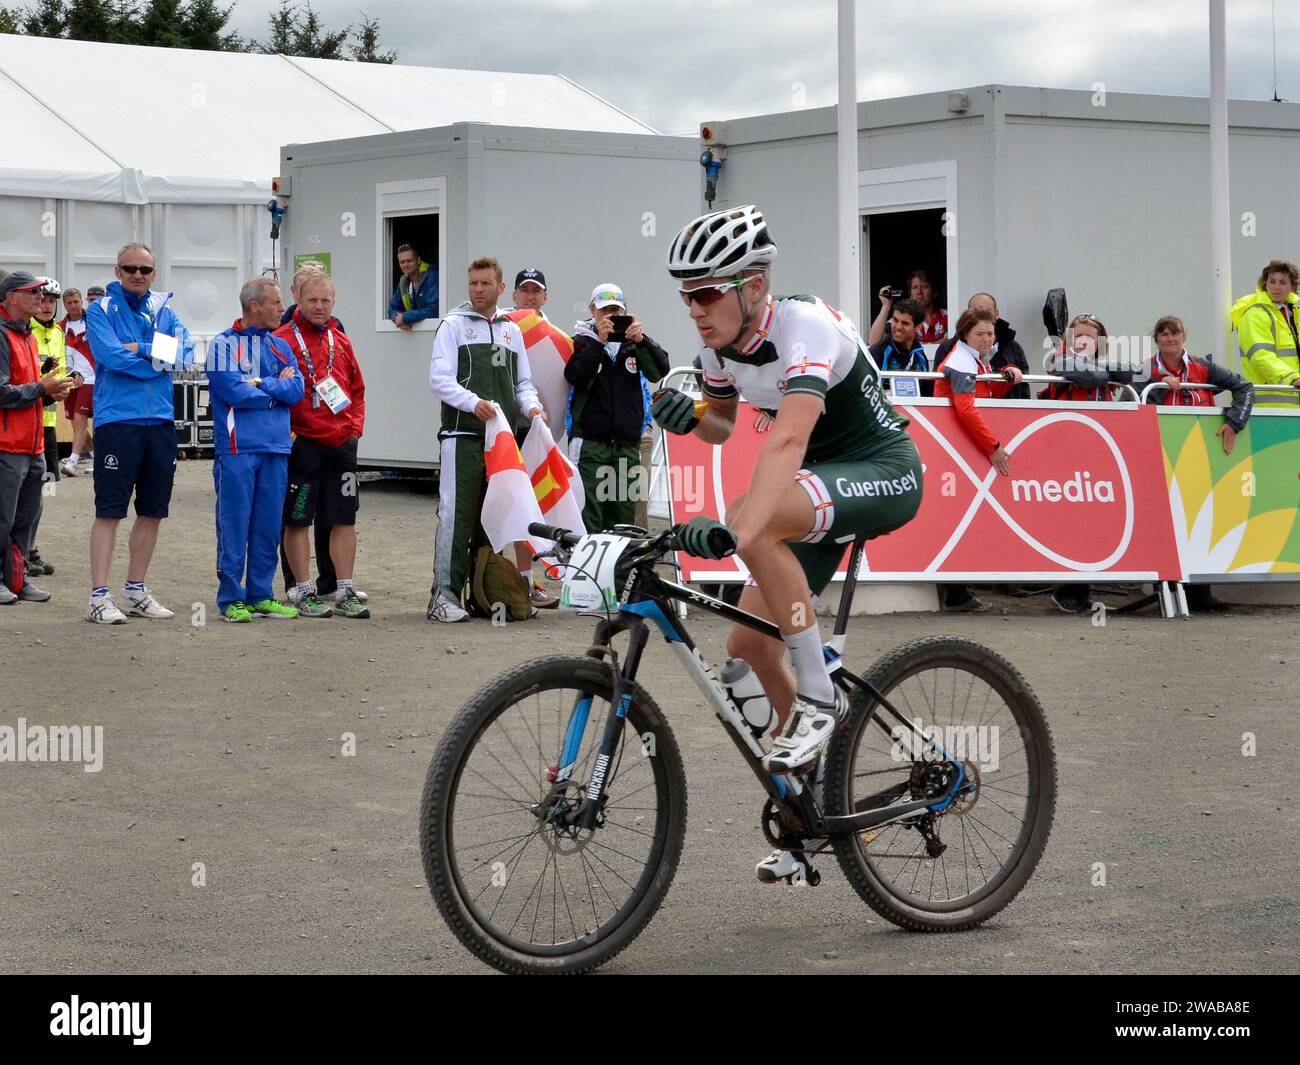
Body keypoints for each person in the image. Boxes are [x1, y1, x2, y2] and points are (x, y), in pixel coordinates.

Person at [657, 204, 924, 884]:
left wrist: (737, 530)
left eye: (706, 292)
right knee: (747, 648)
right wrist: (689, 415)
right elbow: (721, 425)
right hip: (816, 483)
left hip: (881, 469)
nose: (693, 307)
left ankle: (821, 695)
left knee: (755, 515)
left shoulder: (802, 325)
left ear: (751, 287)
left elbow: (786, 440)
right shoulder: (719, 349)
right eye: (685, 294)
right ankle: (809, 805)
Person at [427, 257, 544, 623]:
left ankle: (479, 595)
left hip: (500, 442)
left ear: (500, 287)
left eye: (485, 284)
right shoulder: (453, 325)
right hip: (461, 436)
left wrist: (534, 409)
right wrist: (471, 403)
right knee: (455, 517)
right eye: (473, 283)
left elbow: (522, 384)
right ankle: (442, 598)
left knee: (490, 520)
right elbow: (439, 379)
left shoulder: (512, 330)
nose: (478, 289)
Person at [84, 243, 195, 625]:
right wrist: (156, 361)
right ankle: (99, 596)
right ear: (117, 271)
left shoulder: (164, 309)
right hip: (118, 422)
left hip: (160, 423)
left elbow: (186, 353)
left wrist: (143, 348)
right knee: (109, 511)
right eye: (130, 268)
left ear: (154, 273)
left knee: (152, 511)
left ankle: (135, 589)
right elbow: (111, 356)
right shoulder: (99, 309)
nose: (137, 275)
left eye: (145, 270)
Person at [272, 272, 369, 620]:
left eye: (326, 300)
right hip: (303, 444)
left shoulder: (339, 340)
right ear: (298, 297)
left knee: (344, 518)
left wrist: (354, 428)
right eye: (312, 300)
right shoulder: (280, 340)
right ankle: (302, 588)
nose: (319, 306)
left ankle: (344, 589)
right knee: (298, 518)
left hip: (341, 443)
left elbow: (357, 389)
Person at [207, 278, 304, 623]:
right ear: (254, 307)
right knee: (234, 525)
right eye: (277, 303)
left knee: (266, 525)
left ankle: (261, 594)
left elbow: (297, 390)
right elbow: (234, 392)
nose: (283, 308)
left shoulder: (280, 346)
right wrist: (276, 390)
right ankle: (231, 598)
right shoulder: (222, 345)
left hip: (277, 448)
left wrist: (263, 383)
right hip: (237, 449)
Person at [1146, 314, 1254, 613]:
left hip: (1199, 456)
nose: (1170, 338)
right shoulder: (1145, 368)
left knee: (1199, 518)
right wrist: (1157, 384)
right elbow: (1126, 405)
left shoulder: (1203, 367)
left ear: (1185, 335)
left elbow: (1245, 388)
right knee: (1165, 520)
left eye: (1175, 332)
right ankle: (1167, 590)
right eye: (1164, 334)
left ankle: (1198, 593)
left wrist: (1234, 423)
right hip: (1160, 455)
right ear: (1156, 338)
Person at [1038, 313, 1131, 612]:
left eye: (1091, 336)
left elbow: (1131, 372)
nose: (1085, 340)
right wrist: (1106, 372)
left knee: (1094, 521)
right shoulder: (1057, 358)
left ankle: (1083, 592)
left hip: (1098, 450)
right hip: (1066, 447)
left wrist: (1104, 370)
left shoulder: (1105, 362)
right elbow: (1087, 376)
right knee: (1069, 522)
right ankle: (1065, 591)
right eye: (1080, 335)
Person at [932, 306, 1023, 612]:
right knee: (953, 518)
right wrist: (993, 447)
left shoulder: (973, 360)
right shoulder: (960, 360)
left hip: (963, 446)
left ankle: (958, 592)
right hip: (956, 447)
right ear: (965, 334)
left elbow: (985, 400)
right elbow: (966, 409)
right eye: (980, 334)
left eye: (990, 333)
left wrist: (1006, 380)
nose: (987, 339)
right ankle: (955, 594)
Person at [566, 283, 670, 536]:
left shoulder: (634, 344)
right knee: (588, 516)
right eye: (605, 311)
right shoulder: (580, 342)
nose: (611, 317)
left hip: (626, 446)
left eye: (616, 311)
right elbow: (575, 376)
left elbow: (660, 370)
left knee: (623, 521)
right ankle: (584, 574)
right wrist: (599, 343)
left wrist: (642, 340)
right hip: (591, 445)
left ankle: (618, 576)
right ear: (593, 310)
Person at [0, 272, 73, 605]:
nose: (40, 299)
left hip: (33, 444)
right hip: (8, 444)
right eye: (32, 293)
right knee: (3, 516)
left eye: (42, 294)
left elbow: (24, 391)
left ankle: (18, 578)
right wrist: (41, 389)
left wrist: (48, 393)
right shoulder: (3, 335)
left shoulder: (28, 335)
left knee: (27, 517)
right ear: (11, 297)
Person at [504, 267, 568, 608]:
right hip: (500, 429)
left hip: (536, 432)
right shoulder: (498, 327)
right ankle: (496, 580)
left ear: (545, 297)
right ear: (513, 295)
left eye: (536, 291)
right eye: (524, 290)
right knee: (501, 504)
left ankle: (529, 581)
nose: (530, 296)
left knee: (533, 508)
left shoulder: (559, 339)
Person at [27, 277, 71, 577]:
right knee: (19, 492)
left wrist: (66, 384)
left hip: (48, 422)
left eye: (51, 302)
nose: (46, 306)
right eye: (42, 300)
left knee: (39, 491)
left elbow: (62, 370)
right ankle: (21, 552)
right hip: (24, 418)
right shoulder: (23, 330)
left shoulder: (57, 332)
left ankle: (29, 549)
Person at [1231, 259, 1300, 408]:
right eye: (1272, 281)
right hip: (1269, 405)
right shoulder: (1254, 315)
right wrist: (1293, 379)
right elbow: (1261, 356)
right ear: (1265, 284)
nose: (1276, 287)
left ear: (1292, 286)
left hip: (1291, 403)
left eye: (1282, 282)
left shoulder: (1293, 313)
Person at [59, 287, 95, 477]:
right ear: (64, 305)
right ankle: (97, 457)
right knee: (75, 423)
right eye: (69, 303)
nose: (74, 305)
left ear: (82, 302)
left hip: (90, 379)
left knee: (80, 420)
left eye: (76, 301)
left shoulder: (94, 322)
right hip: (70, 380)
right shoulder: (60, 327)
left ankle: (72, 462)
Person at [866, 296, 930, 394]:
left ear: (918, 327)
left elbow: (927, 396)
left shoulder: (920, 356)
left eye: (905, 323)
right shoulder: (877, 353)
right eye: (895, 320)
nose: (898, 327)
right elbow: (865, 393)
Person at [388, 243, 439, 331]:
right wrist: (397, 319)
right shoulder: (403, 282)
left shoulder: (432, 276)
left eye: (409, 261)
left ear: (418, 260)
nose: (405, 265)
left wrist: (405, 317)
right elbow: (392, 308)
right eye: (402, 262)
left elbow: (433, 310)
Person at [908, 269, 947, 343]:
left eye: (925, 287)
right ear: (910, 295)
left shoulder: (950, 316)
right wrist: (886, 306)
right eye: (915, 287)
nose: (919, 292)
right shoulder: (902, 319)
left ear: (935, 292)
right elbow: (879, 339)